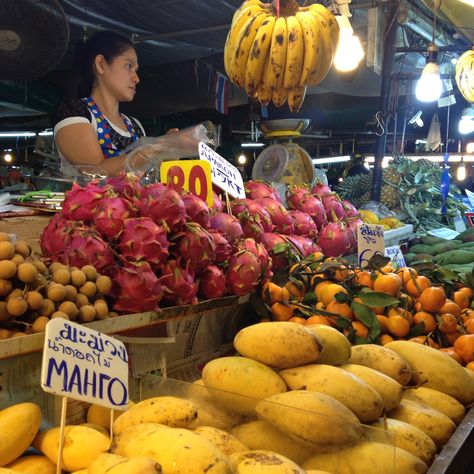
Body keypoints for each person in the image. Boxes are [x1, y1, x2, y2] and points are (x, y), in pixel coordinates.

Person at [54, 30, 174, 177]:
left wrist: (168, 153)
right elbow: (97, 171)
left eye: (136, 70)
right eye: (129, 66)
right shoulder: (75, 112)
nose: (136, 78)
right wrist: (156, 149)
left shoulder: (135, 126)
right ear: (101, 64)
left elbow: (146, 178)